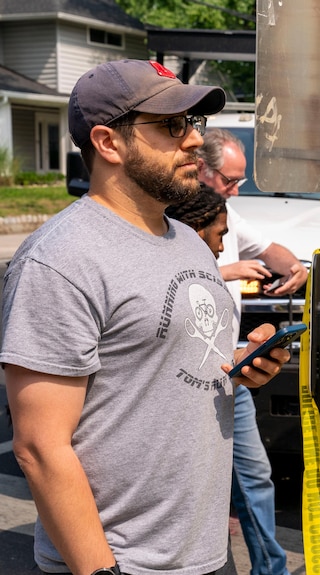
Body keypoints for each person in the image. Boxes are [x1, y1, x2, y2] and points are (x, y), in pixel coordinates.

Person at [0, 59, 288, 575]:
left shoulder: (186, 240)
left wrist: (245, 363)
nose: (194, 141)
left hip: (202, 553)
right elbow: (40, 447)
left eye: (192, 124)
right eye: (172, 125)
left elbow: (170, 364)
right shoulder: (61, 260)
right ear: (109, 143)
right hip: (119, 563)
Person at [198, 127, 308, 575]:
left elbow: (269, 249)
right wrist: (227, 269)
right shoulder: (168, 212)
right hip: (178, 376)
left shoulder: (227, 212)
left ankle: (270, 569)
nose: (237, 189)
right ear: (200, 168)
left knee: (254, 477)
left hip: (230, 368)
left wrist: (295, 267)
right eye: (230, 180)